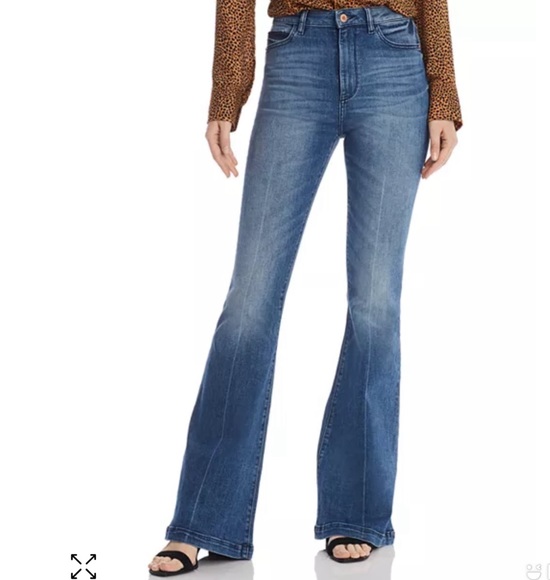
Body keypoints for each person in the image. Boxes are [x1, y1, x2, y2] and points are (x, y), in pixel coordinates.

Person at [149, 0, 462, 575]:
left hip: (395, 58)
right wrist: (228, 91)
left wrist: (444, 91)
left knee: (374, 302)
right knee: (249, 300)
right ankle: (204, 521)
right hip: (299, 54)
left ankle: (357, 512)